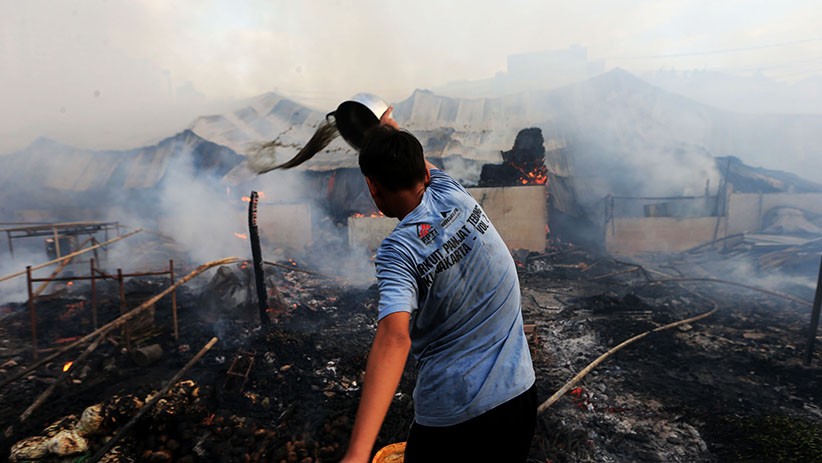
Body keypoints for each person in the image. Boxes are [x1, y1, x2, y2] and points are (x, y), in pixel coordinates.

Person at [340, 108, 536, 463]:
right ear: (423, 173)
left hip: (454, 418)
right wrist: (387, 125)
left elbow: (394, 338)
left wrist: (356, 453)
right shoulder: (451, 191)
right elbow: (417, 162)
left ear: (372, 186)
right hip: (519, 396)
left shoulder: (398, 251)